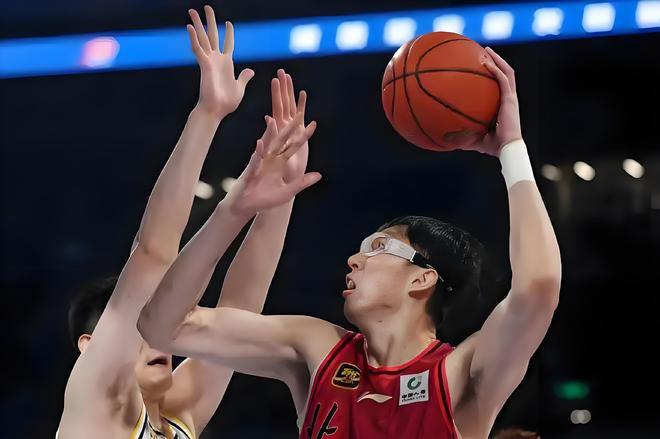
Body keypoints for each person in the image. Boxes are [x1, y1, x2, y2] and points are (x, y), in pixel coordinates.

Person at [138, 47, 561, 439]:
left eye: (377, 248)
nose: (355, 259)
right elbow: (162, 325)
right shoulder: (317, 347)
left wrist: (512, 149)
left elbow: (538, 286)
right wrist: (235, 209)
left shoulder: (460, 373)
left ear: (422, 279)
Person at [57, 6, 318, 438]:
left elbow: (239, 312)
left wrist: (281, 194)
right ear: (90, 346)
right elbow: (151, 256)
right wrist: (207, 114)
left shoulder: (182, 415)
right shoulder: (96, 406)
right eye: (141, 320)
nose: (155, 331)